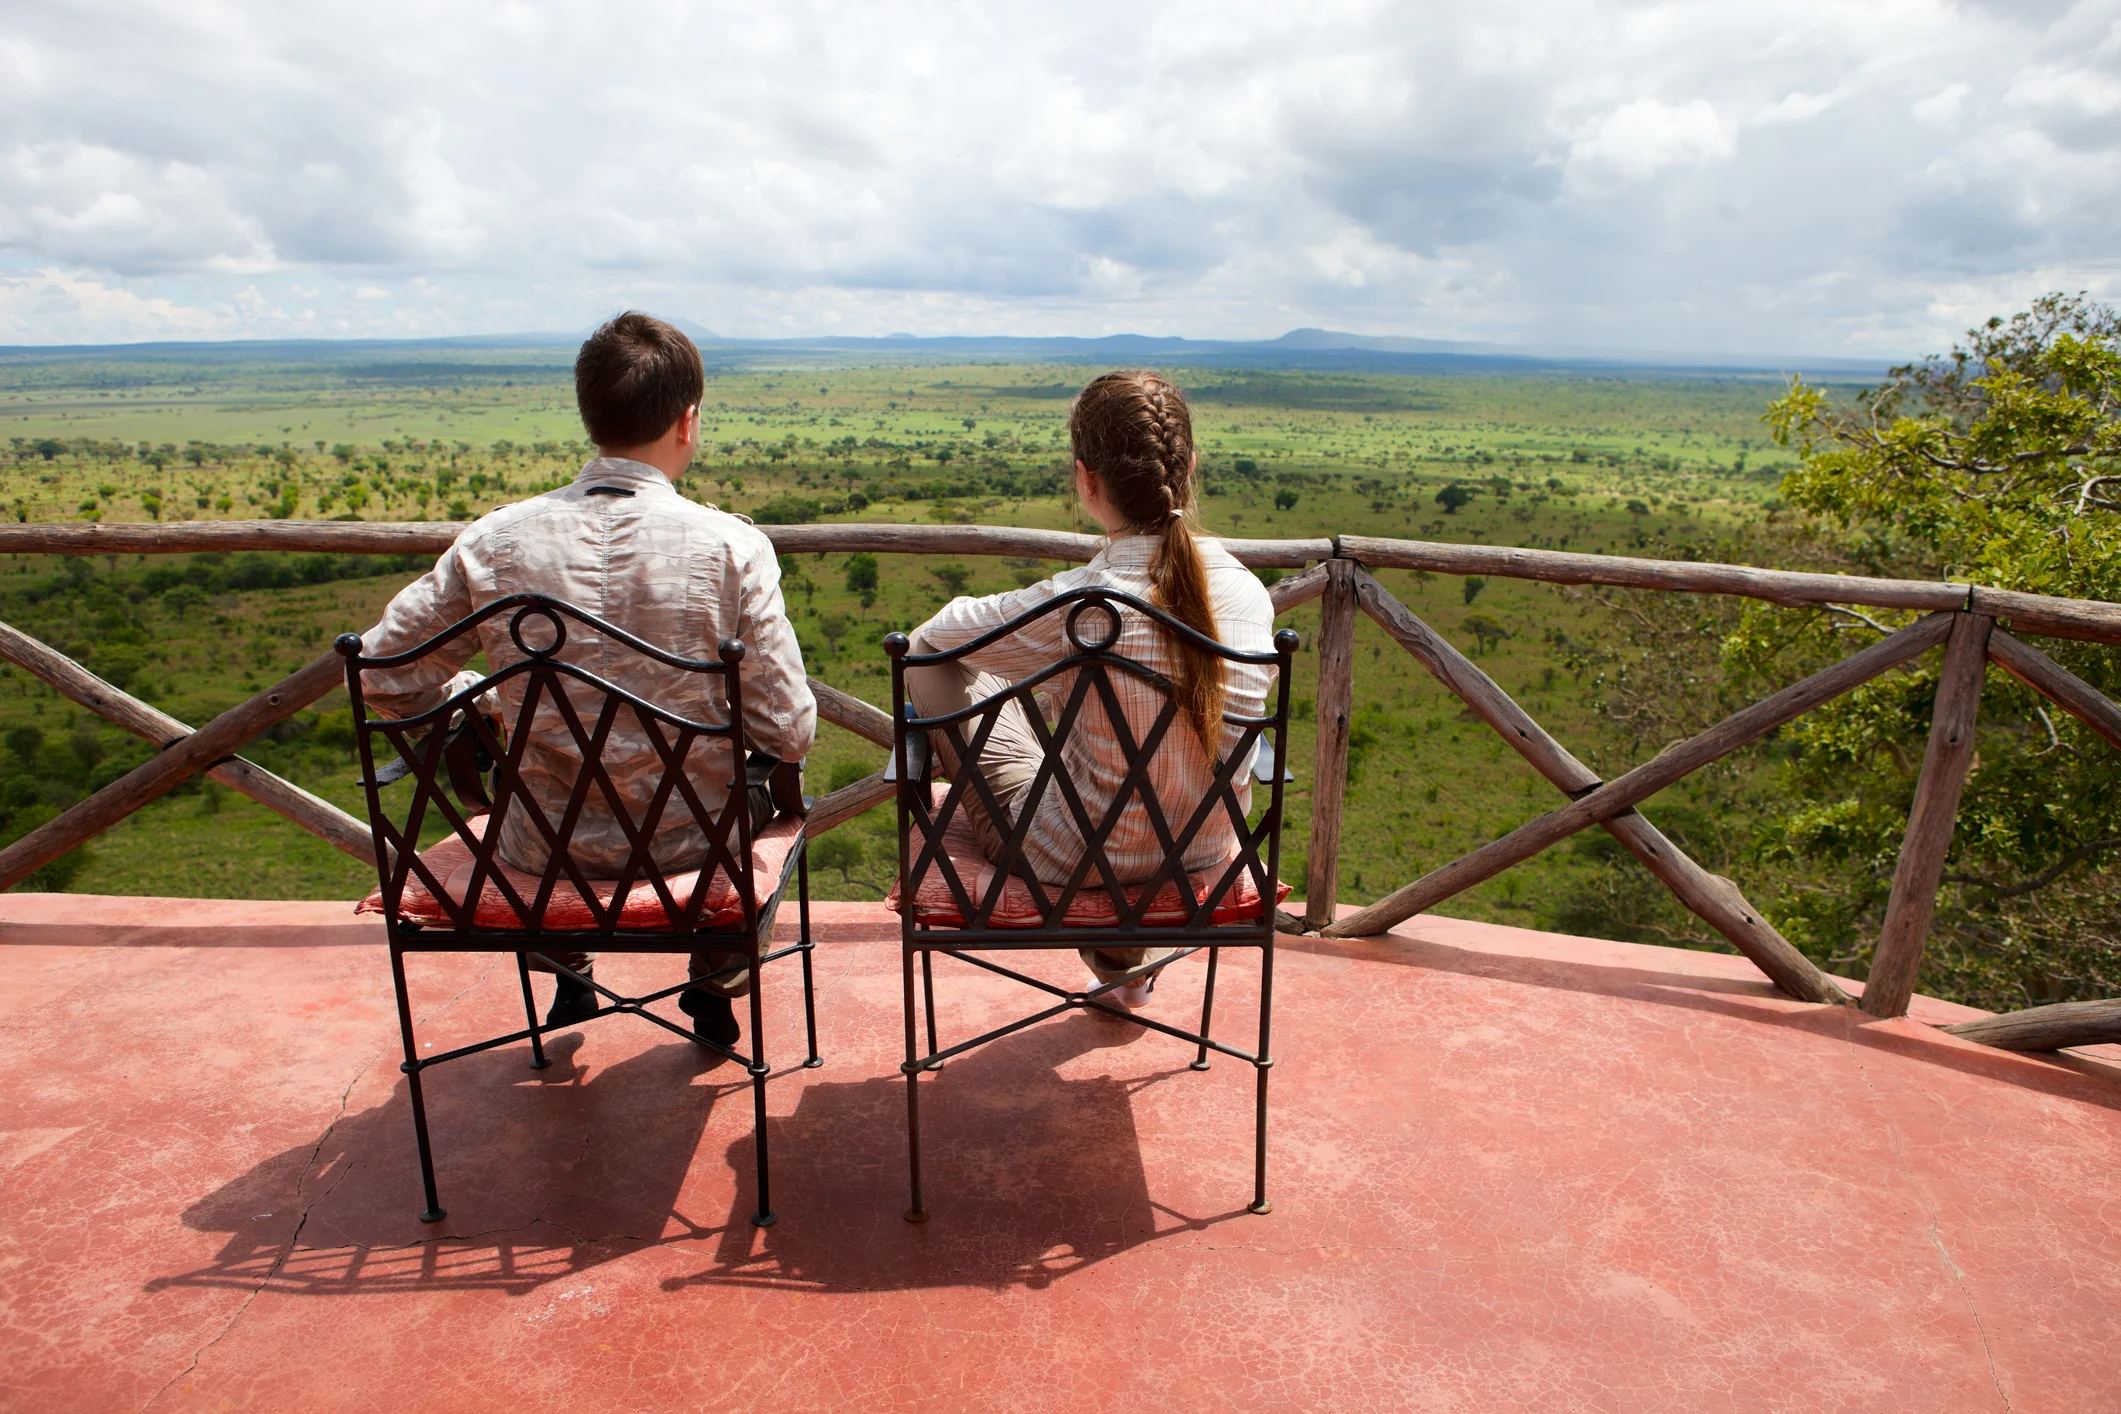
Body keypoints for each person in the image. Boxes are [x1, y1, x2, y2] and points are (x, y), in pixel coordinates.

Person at [356, 312, 816, 1049]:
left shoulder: (494, 539)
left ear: (588, 416)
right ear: (687, 421)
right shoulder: (732, 546)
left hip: (536, 854)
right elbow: (788, 729)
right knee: (774, 794)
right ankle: (711, 976)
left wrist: (468, 695)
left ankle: (567, 961)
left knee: (523, 792)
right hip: (690, 852)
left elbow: (382, 673)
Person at [904, 370, 1276, 1006]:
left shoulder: (1081, 606)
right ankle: (1122, 960)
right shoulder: (1247, 591)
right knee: (1125, 753)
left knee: (932, 660)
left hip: (1068, 855)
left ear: (1087, 479)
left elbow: (932, 639)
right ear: (1189, 466)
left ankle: (1118, 955)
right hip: (1204, 850)